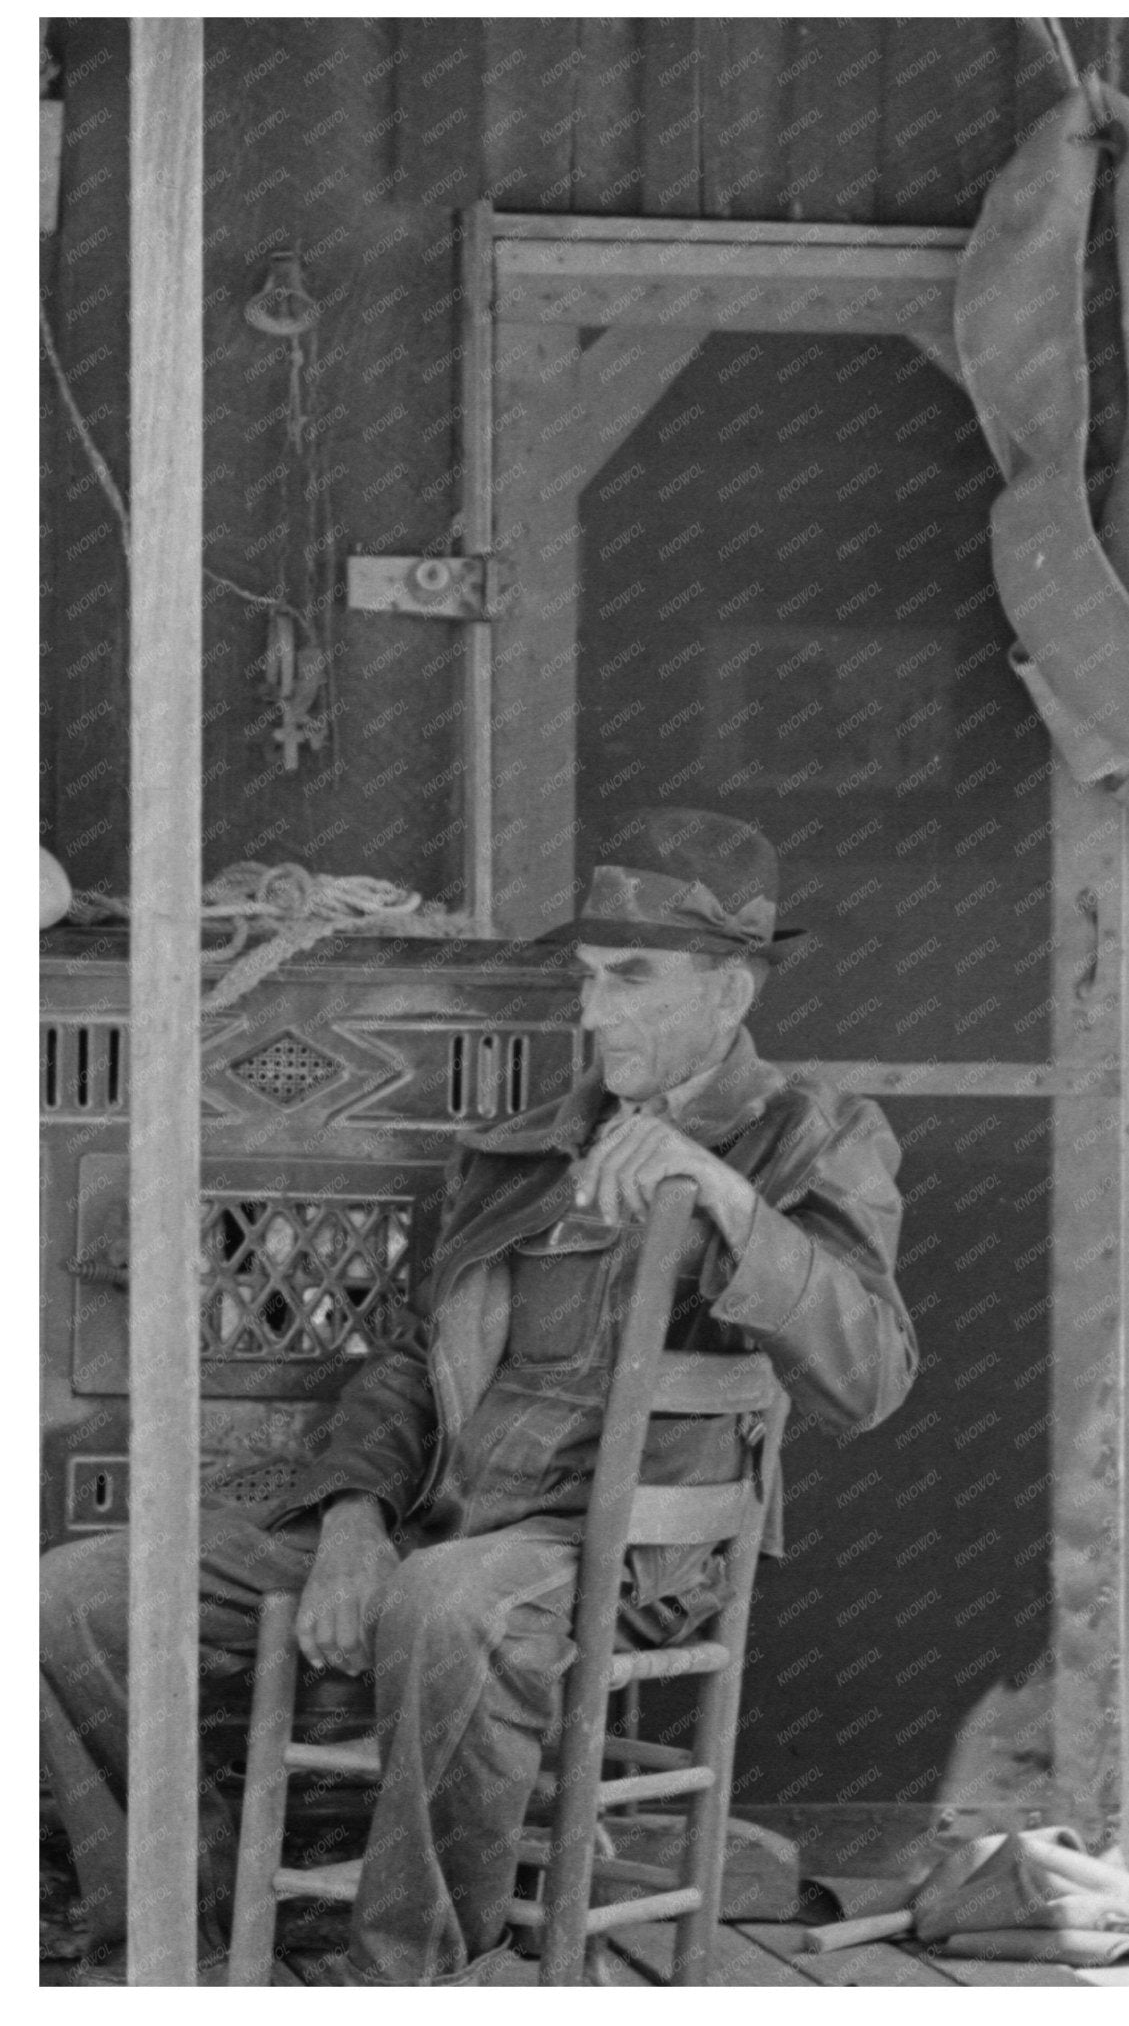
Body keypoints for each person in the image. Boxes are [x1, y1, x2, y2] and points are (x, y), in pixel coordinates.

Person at [41, 808, 917, 1984]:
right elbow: (406, 1359)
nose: (593, 1011)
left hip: (615, 1554)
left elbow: (869, 1375)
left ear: (731, 988)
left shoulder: (815, 1136)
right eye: (589, 977)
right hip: (435, 1530)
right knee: (76, 1594)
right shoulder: (518, 1152)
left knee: (452, 1602)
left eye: (632, 978)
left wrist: (717, 1193)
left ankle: (421, 1977)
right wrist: (351, 1521)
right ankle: (165, 1950)